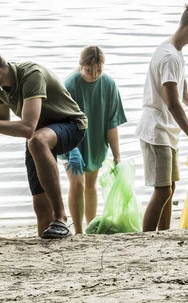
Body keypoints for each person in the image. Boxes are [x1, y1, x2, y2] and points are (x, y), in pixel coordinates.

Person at [0, 41, 88, 238]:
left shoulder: (31, 75)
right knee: (40, 204)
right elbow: (1, 119)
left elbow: (27, 128)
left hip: (71, 124)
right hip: (41, 133)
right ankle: (46, 243)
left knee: (35, 141)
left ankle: (61, 217)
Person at [135, 0, 188, 232]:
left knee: (170, 188)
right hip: (156, 131)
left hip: (166, 130)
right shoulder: (170, 56)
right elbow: (173, 103)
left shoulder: (174, 51)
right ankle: (145, 237)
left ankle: (164, 235)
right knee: (162, 189)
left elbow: (184, 94)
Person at [60, 46, 127, 234]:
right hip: (71, 141)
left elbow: (111, 123)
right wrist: (72, 149)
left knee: (90, 185)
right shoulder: (70, 86)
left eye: (98, 70)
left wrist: (117, 156)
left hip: (96, 139)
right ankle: (79, 231)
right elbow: (63, 121)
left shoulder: (109, 85)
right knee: (77, 183)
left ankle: (90, 228)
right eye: (88, 71)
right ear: (81, 66)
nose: (94, 75)